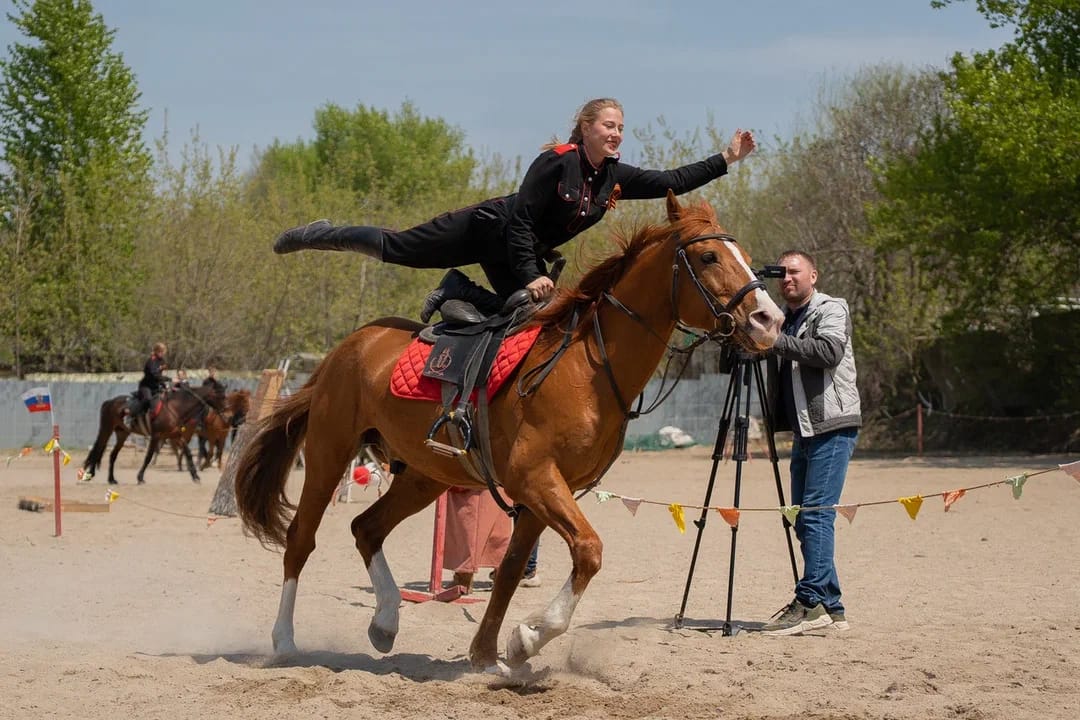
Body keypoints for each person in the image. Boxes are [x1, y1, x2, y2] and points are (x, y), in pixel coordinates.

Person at [272, 98, 756, 323]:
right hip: (486, 229)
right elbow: (521, 222)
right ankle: (320, 234)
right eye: (608, 125)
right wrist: (529, 273)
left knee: (531, 315)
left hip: (517, 253)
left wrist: (726, 159)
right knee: (397, 248)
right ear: (584, 127)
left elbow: (671, 181)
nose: (617, 134)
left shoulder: (614, 176)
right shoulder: (555, 163)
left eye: (621, 128)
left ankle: (457, 289)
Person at [761, 251, 861, 636]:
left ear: (813, 276)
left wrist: (775, 341)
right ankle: (832, 607)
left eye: (794, 272)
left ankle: (809, 603)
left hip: (832, 426)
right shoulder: (782, 318)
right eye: (781, 273)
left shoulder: (832, 309)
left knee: (817, 515)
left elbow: (828, 352)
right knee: (805, 520)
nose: (787, 278)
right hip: (804, 430)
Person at [130, 342, 170, 431]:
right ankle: (133, 417)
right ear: (156, 351)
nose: (162, 353)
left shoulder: (162, 361)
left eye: (163, 351)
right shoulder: (151, 361)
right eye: (161, 351)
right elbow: (154, 375)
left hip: (156, 386)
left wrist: (164, 384)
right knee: (147, 399)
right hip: (146, 386)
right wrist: (169, 379)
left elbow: (159, 375)